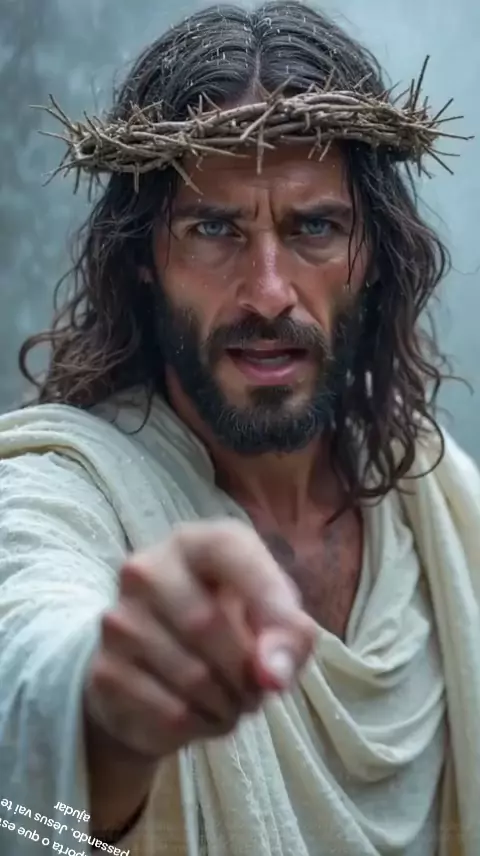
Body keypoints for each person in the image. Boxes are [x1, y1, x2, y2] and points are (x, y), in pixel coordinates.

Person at [0, 2, 478, 855]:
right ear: (143, 258)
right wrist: (108, 706)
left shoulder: (440, 500)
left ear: (373, 255)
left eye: (315, 228)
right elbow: (29, 640)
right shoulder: (60, 488)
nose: (267, 292)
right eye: (213, 229)